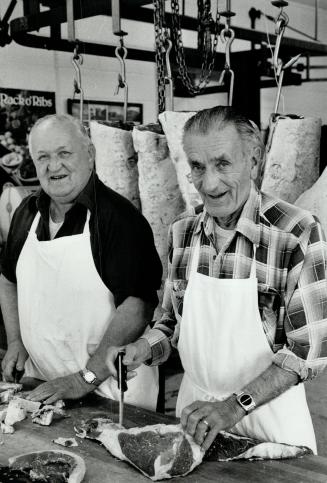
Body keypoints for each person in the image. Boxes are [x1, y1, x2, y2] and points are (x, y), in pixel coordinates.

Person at [107, 106, 327, 454]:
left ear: (253, 160)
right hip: (194, 418)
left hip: (270, 424)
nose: (209, 183)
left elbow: (307, 354)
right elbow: (170, 325)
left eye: (223, 164)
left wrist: (232, 407)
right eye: (197, 166)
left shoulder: (296, 233)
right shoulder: (183, 231)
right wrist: (141, 349)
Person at [0, 114, 162, 410]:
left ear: (89, 153)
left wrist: (85, 378)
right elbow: (8, 279)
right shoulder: (26, 212)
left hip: (111, 393)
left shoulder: (120, 219)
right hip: (44, 385)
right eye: (43, 157)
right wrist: (15, 341)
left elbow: (138, 308)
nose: (54, 166)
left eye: (64, 153)